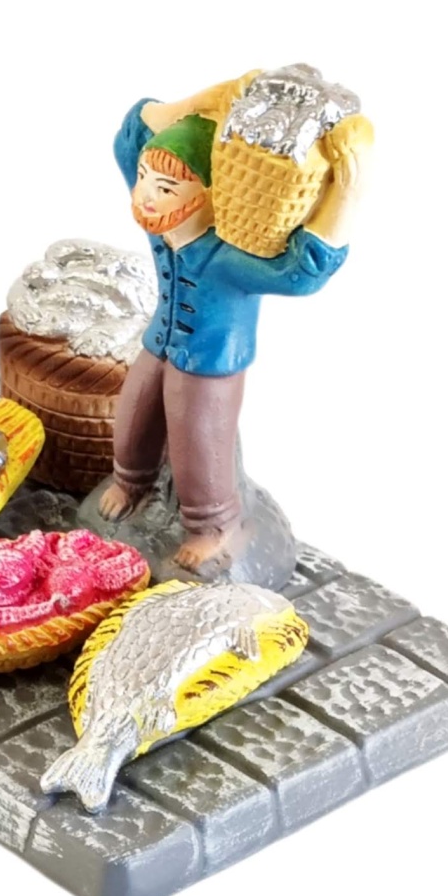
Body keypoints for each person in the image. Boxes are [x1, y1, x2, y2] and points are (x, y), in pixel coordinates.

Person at [99, 77, 368, 572]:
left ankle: (214, 526)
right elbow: (132, 132)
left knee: (199, 442)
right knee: (135, 411)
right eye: (144, 180)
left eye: (166, 188)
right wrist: (203, 102)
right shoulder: (162, 233)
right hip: (160, 343)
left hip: (211, 362)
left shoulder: (226, 258)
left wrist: (346, 192)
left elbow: (301, 272)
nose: (147, 196)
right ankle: (130, 482)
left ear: (208, 195)